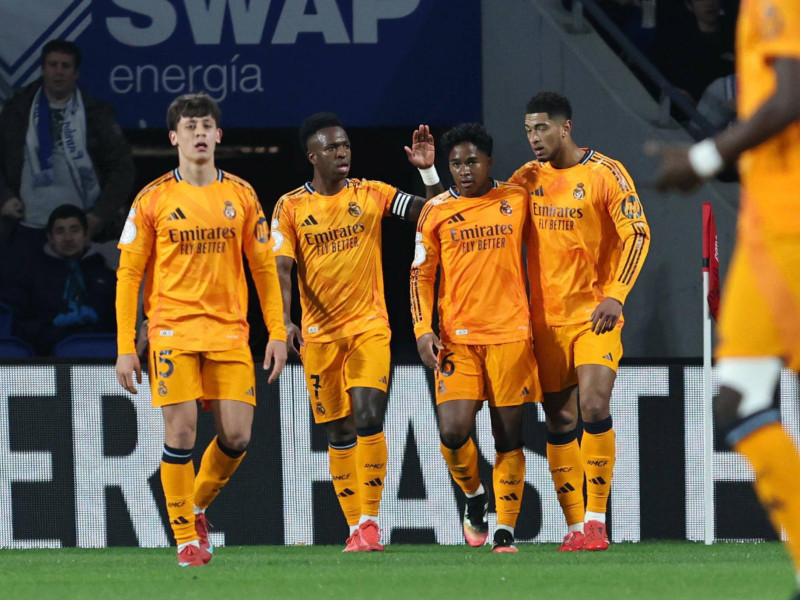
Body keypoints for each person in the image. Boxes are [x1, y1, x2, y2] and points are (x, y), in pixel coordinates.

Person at [651, 2, 800, 595]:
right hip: (768, 230)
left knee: (739, 400)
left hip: (792, 227)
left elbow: (789, 99)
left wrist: (705, 155)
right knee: (738, 399)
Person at [114, 93, 287, 567]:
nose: (199, 134)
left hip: (229, 333)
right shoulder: (152, 199)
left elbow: (265, 269)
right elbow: (128, 275)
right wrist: (126, 346)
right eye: (190, 127)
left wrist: (277, 330)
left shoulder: (242, 195)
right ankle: (186, 539)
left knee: (237, 436)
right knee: (183, 430)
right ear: (174, 137)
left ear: (219, 135)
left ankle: (195, 507)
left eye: (206, 126)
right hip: (172, 331)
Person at [271, 112, 442, 552]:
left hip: (369, 328)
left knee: (368, 417)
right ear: (313, 156)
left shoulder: (371, 193)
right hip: (319, 337)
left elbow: (433, 213)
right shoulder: (291, 207)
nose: (342, 152)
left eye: (345, 145)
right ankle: (355, 529)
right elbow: (281, 268)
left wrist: (427, 171)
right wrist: (283, 320)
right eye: (331, 147)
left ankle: (370, 521)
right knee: (339, 433)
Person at [509, 91, 651, 551]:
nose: (534, 138)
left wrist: (616, 294)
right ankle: (573, 527)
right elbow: (482, 219)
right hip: (546, 322)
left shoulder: (605, 173)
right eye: (529, 129)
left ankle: (596, 521)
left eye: (542, 128)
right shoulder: (526, 180)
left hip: (596, 316)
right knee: (559, 419)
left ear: (565, 128)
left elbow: (637, 234)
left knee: (593, 405)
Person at [412, 123, 542, 553]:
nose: (464, 170)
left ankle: (504, 530)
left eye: (472, 161)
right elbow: (421, 273)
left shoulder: (516, 199)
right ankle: (474, 498)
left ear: (489, 162)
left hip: (510, 336)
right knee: (453, 431)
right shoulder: (436, 211)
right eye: (455, 163)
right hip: (457, 339)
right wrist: (422, 328)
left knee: (508, 438)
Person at [0, 39, 135, 251]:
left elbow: (123, 170)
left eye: (65, 66)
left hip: (80, 229)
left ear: (76, 73)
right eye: (53, 65)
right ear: (43, 70)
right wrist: (4, 198)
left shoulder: (97, 114)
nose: (59, 72)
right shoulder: (16, 110)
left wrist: (99, 215)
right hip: (25, 226)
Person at [0, 203, 115, 354]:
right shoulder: (31, 274)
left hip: (102, 355)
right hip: (50, 357)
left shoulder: (105, 273)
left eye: (74, 230)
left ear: (86, 234)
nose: (68, 238)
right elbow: (20, 323)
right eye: (60, 231)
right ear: (50, 238)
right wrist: (51, 334)